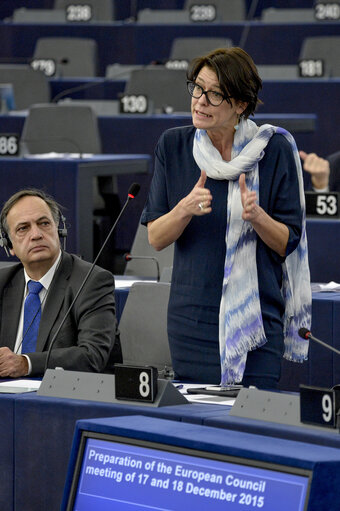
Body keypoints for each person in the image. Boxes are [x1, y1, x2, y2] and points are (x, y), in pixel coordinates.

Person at [141, 47, 311, 389]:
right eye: (197, 88)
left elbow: (286, 244)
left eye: (214, 94)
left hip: (255, 327)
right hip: (191, 324)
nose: (199, 101)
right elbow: (157, 237)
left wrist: (257, 216)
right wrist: (185, 208)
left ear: (240, 105)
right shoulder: (174, 146)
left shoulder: (273, 150)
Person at [0, 188, 122, 378]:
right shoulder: (3, 283)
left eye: (44, 224)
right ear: (9, 245)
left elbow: (93, 355)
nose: (36, 234)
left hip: (69, 398)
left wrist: (26, 363)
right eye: (23, 228)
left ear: (59, 230)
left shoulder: (91, 281)